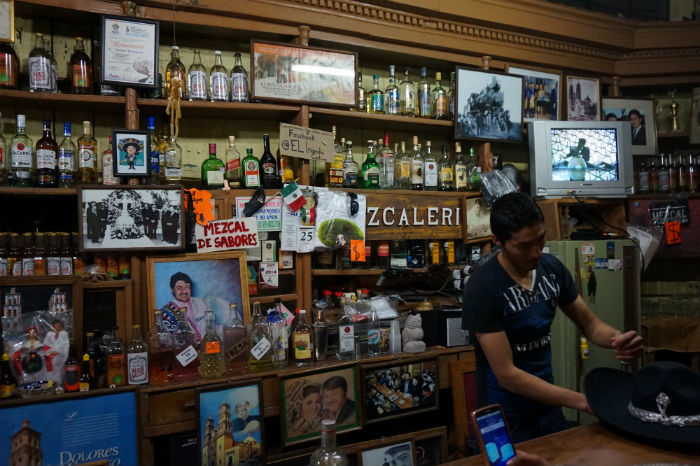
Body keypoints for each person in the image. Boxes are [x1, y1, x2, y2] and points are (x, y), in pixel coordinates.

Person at [461, 192, 643, 443]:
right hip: (504, 417)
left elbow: (591, 325)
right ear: (498, 241)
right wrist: (582, 401)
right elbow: (508, 375)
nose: (536, 251)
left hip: (548, 410)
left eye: (540, 239)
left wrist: (617, 339)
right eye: (523, 246)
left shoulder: (551, 269)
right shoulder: (483, 287)